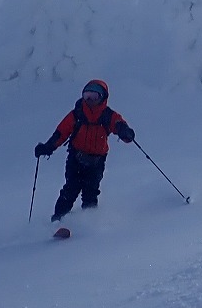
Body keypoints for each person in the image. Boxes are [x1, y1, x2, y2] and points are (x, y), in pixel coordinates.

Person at [34, 79, 136, 222]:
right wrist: (47, 147)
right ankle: (57, 220)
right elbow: (60, 133)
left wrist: (126, 132)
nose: (90, 100)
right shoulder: (76, 114)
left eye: (94, 97)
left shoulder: (108, 115)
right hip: (76, 159)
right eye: (87, 95)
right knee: (70, 190)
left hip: (97, 162)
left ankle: (89, 224)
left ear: (103, 98)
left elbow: (119, 126)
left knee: (91, 192)